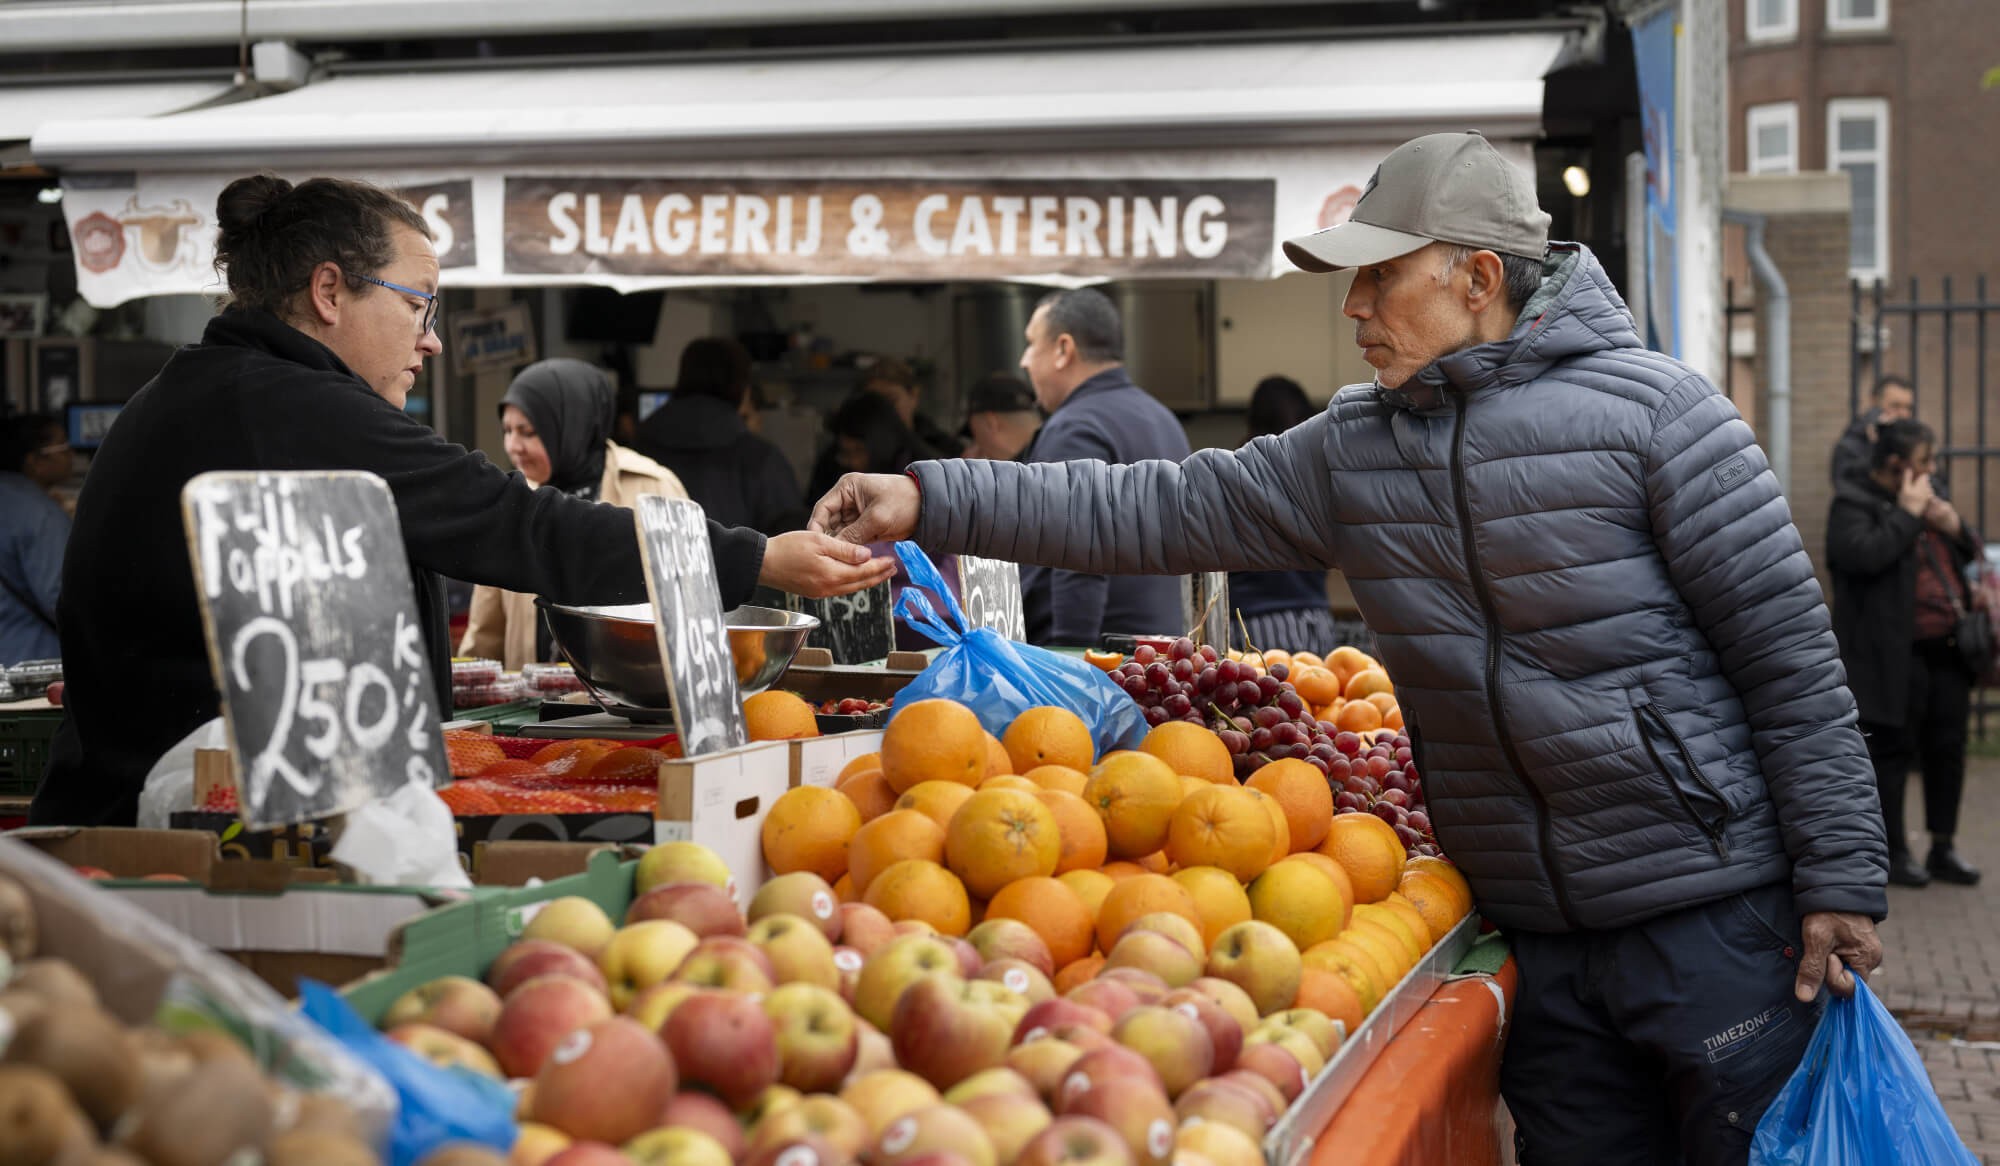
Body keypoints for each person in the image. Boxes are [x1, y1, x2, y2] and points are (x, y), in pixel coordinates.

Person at [814, 131, 1887, 1166]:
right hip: (1537, 942)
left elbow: (1789, 666)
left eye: (1378, 275)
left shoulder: (1660, 417)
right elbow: (1149, 506)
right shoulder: (1352, 450)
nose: (1352, 306)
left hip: (1708, 916)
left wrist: (1838, 877)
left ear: (1476, 275)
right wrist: (928, 493)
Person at [34, 175, 892, 828]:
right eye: (421, 305)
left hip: (176, 797)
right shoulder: (288, 403)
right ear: (330, 292)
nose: (433, 339)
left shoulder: (213, 389)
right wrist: (756, 556)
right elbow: (511, 521)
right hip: (178, 821)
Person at [1828, 418, 1984, 888]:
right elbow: (1861, 556)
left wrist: (1954, 526)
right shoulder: (1852, 504)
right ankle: (1894, 852)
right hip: (1893, 654)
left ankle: (1942, 846)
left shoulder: (1927, 497)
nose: (1933, 470)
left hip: (1948, 648)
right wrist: (1908, 515)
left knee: (1948, 749)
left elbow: (1967, 552)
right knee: (1891, 754)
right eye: (1924, 461)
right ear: (1896, 465)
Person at [459, 359, 690, 670]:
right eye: (507, 431)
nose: (513, 446)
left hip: (634, 694)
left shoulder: (652, 486)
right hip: (535, 707)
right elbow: (487, 629)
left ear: (573, 425)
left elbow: (688, 604)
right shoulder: (512, 498)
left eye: (527, 432)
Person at [1013, 288, 1191, 646]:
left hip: (1103, 661)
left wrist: (1069, 662)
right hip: (1162, 656)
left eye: (1032, 344)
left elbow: (1077, 557)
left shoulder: (1075, 426)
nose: (1024, 361)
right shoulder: (1162, 418)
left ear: (1064, 349)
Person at [632, 337, 807, 536]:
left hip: (647, 566)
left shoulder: (639, 445)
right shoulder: (761, 460)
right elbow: (792, 540)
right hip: (739, 567)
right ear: (741, 388)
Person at [1225, 377, 1339, 657]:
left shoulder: (1238, 470)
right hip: (1315, 620)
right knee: (1321, 699)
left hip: (1256, 622)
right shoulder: (1315, 472)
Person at [0, 413, 70, 666]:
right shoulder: (42, 514)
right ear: (34, 461)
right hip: (33, 664)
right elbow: (61, 600)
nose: (71, 453)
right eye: (62, 445)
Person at [859, 355, 957, 460]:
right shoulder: (857, 447)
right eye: (876, 405)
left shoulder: (944, 446)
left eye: (892, 401)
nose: (884, 411)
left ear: (914, 395)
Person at [1831, 374, 1913, 487]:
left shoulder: (1911, 439)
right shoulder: (1850, 444)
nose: (1904, 414)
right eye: (1895, 406)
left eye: (1908, 408)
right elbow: (1845, 485)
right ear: (1874, 402)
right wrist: (1877, 446)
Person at [959, 372, 1043, 462]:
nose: (975, 448)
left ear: (991, 423)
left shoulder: (1029, 469)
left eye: (975, 437)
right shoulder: (1053, 448)